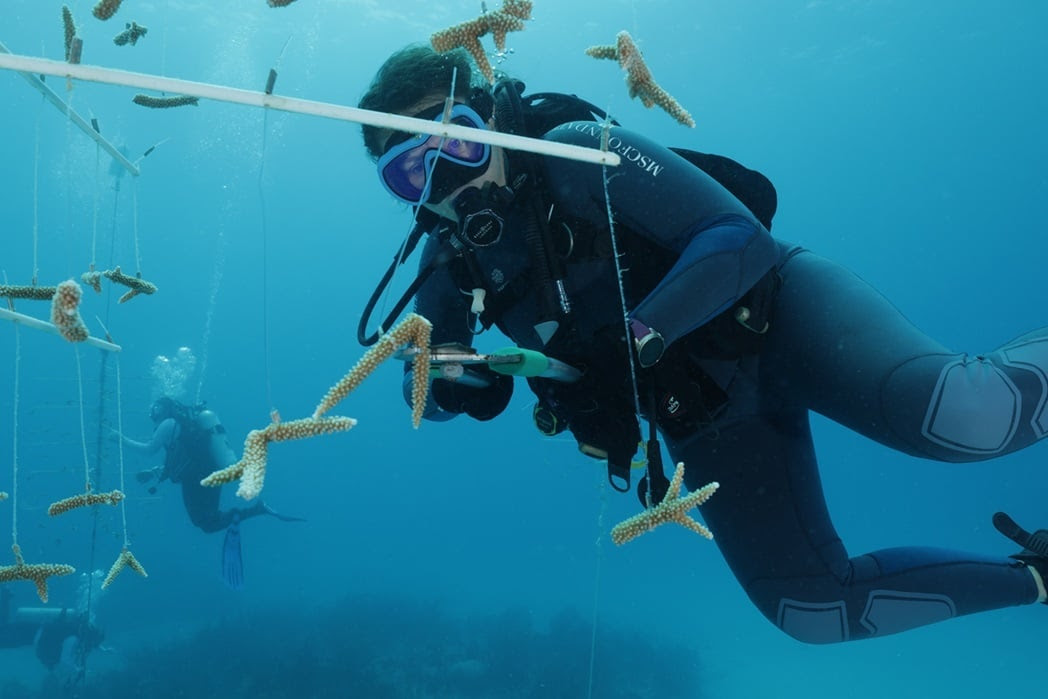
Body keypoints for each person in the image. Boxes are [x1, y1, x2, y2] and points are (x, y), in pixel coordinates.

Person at [355, 44, 1048, 644]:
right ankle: (1038, 580)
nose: (450, 180)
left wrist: (635, 337)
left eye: (459, 141)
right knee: (811, 607)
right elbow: (432, 386)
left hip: (777, 313)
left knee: (966, 414)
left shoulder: (577, 149)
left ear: (493, 117)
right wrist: (452, 383)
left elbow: (737, 235)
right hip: (707, 408)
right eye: (413, 174)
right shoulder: (448, 265)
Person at [122, 397, 303, 589]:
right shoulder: (181, 426)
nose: (153, 413)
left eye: (156, 408)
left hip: (199, 478)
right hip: (208, 475)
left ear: (164, 409)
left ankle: (257, 509)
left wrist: (119, 438)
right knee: (207, 522)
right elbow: (178, 459)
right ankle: (256, 509)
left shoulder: (169, 424)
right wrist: (154, 472)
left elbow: (150, 450)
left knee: (206, 523)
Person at [0, 586, 104, 680]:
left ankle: (5, 597)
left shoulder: (75, 632)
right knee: (3, 636)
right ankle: (5, 596)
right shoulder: (73, 638)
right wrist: (77, 669)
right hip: (31, 633)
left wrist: (104, 649)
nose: (90, 645)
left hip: (33, 632)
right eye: (92, 643)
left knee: (5, 631)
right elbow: (65, 659)